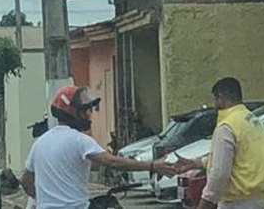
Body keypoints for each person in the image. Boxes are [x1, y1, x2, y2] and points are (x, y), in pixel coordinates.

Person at [20, 86, 175, 209]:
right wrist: (153, 166)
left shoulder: (39, 143)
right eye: (85, 110)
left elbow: (26, 180)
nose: (89, 114)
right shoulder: (80, 140)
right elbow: (112, 162)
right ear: (72, 112)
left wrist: (44, 200)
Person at [175, 77, 264, 209]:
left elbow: (219, 172)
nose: (214, 104)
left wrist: (206, 201)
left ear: (221, 97)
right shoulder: (251, 120)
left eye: (215, 99)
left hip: (237, 200)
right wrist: (196, 163)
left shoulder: (226, 127)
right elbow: (238, 157)